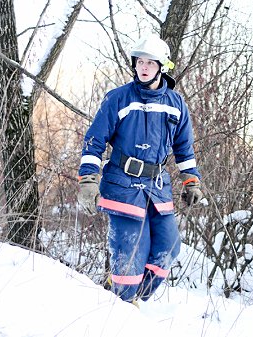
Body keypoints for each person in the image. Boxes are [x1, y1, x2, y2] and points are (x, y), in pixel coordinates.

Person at [76, 34, 203, 305]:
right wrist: (88, 180)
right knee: (131, 252)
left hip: (157, 187)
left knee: (169, 246)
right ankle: (121, 303)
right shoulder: (118, 98)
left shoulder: (176, 104)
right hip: (122, 185)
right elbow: (94, 141)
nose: (143, 67)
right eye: (140, 62)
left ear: (162, 67)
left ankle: (134, 300)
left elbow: (184, 148)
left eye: (150, 62)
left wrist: (191, 181)